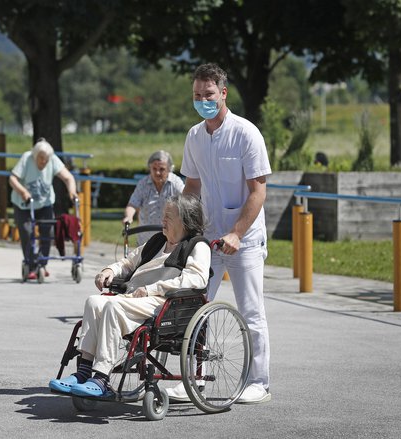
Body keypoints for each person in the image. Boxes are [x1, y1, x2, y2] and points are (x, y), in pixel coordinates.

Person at [168, 63, 273, 404]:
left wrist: (237, 233)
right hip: (207, 238)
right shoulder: (195, 136)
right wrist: (179, 222)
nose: (203, 101)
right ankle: (192, 378)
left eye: (209, 95)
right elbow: (193, 185)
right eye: (197, 95)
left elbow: (257, 191)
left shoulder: (246, 134)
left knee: (251, 310)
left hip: (243, 239)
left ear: (223, 93)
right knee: (193, 307)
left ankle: (259, 382)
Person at [49, 194, 210, 397]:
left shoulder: (197, 246)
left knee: (112, 307)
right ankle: (83, 372)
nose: (163, 220)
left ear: (185, 221)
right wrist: (109, 270)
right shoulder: (158, 241)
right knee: (94, 302)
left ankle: (100, 378)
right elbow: (128, 263)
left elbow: (196, 280)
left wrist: (152, 289)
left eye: (168, 216)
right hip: (137, 298)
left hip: (165, 304)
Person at [9, 138, 78, 280]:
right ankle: (31, 264)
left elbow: (68, 178)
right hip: (24, 204)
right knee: (27, 233)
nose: (43, 162)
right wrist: (23, 192)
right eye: (40, 159)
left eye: (46, 160)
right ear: (35, 156)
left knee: (48, 231)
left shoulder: (52, 159)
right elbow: (12, 179)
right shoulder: (27, 158)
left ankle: (42, 263)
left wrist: (72, 192)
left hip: (45, 203)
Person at [122, 150, 185, 246]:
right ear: (149, 168)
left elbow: (186, 203)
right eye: (154, 169)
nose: (157, 172)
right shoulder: (143, 184)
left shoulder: (176, 183)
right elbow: (133, 204)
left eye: (162, 169)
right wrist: (128, 217)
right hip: (145, 240)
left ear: (169, 169)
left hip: (170, 240)